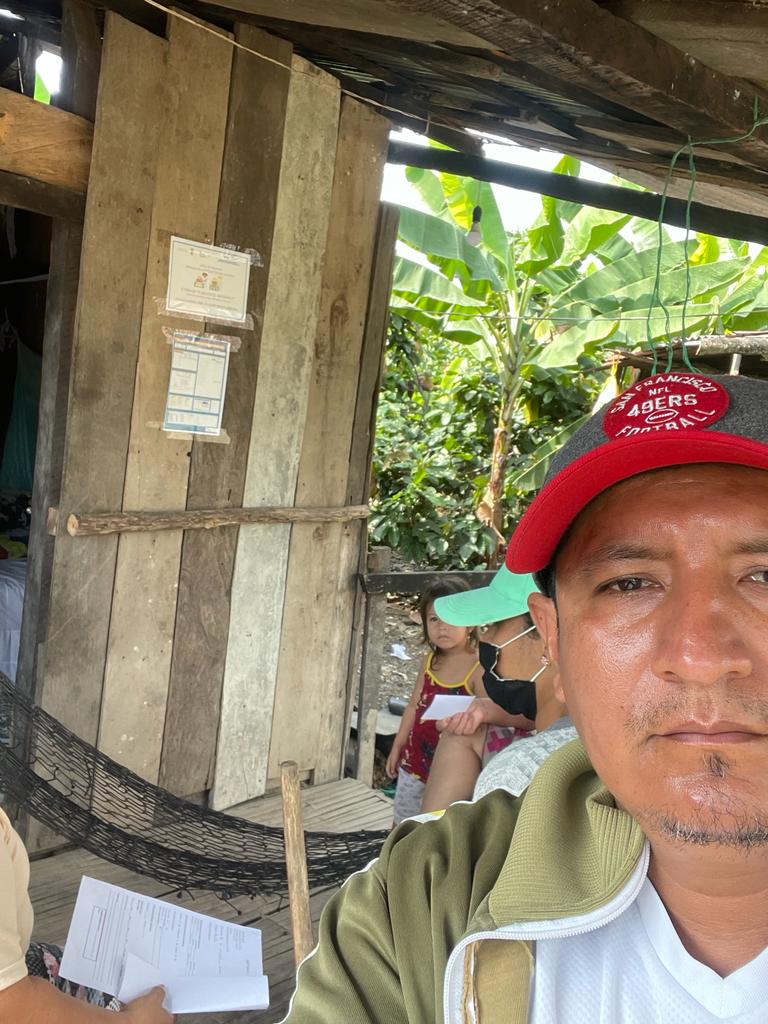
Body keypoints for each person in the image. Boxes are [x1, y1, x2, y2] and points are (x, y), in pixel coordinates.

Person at [282, 370, 768, 1023]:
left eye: (766, 575)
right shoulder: (425, 901)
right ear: (555, 642)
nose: (700, 657)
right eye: (629, 584)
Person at [0, 807, 174, 1021]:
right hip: (15, 1001)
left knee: (119, 981)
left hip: (18, 964)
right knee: (142, 1000)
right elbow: (11, 1007)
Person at [385, 580, 531, 824]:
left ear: (470, 623)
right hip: (415, 760)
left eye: (451, 618)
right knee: (403, 823)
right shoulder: (430, 661)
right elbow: (413, 706)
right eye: (434, 619)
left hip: (451, 766)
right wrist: (399, 744)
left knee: (434, 824)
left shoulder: (478, 667)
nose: (442, 627)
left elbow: (486, 715)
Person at [420, 567, 552, 812]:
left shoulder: (513, 772)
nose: (486, 637)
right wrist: (482, 709)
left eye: (494, 625)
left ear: (545, 629)